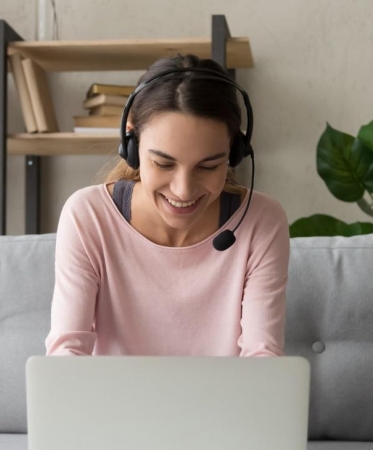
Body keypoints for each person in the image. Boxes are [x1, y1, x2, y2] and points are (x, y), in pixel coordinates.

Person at [44, 53, 290, 357]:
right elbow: (66, 357)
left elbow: (263, 360)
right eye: (163, 163)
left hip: (224, 406)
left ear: (234, 151)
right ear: (131, 143)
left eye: (208, 166)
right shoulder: (88, 216)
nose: (183, 190)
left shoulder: (261, 222)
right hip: (111, 405)